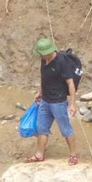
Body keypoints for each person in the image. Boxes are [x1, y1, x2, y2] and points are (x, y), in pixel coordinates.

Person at [27, 37, 79, 165]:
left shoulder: (62, 62)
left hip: (58, 102)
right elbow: (44, 78)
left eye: (41, 54)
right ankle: (39, 154)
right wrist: (41, 92)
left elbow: (70, 83)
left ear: (47, 52)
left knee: (65, 129)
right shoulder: (44, 61)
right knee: (42, 128)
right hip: (45, 101)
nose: (40, 57)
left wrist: (73, 103)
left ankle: (73, 155)